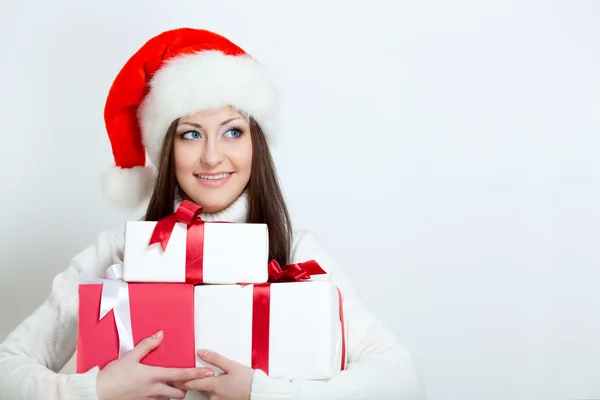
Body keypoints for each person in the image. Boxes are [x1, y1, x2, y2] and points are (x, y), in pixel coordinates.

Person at [0, 28, 426, 400]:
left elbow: (402, 383)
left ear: (255, 142)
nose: (211, 156)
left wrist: (264, 393)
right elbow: (7, 369)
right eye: (190, 134)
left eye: (233, 131)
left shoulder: (299, 254)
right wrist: (95, 391)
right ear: (168, 149)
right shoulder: (116, 255)